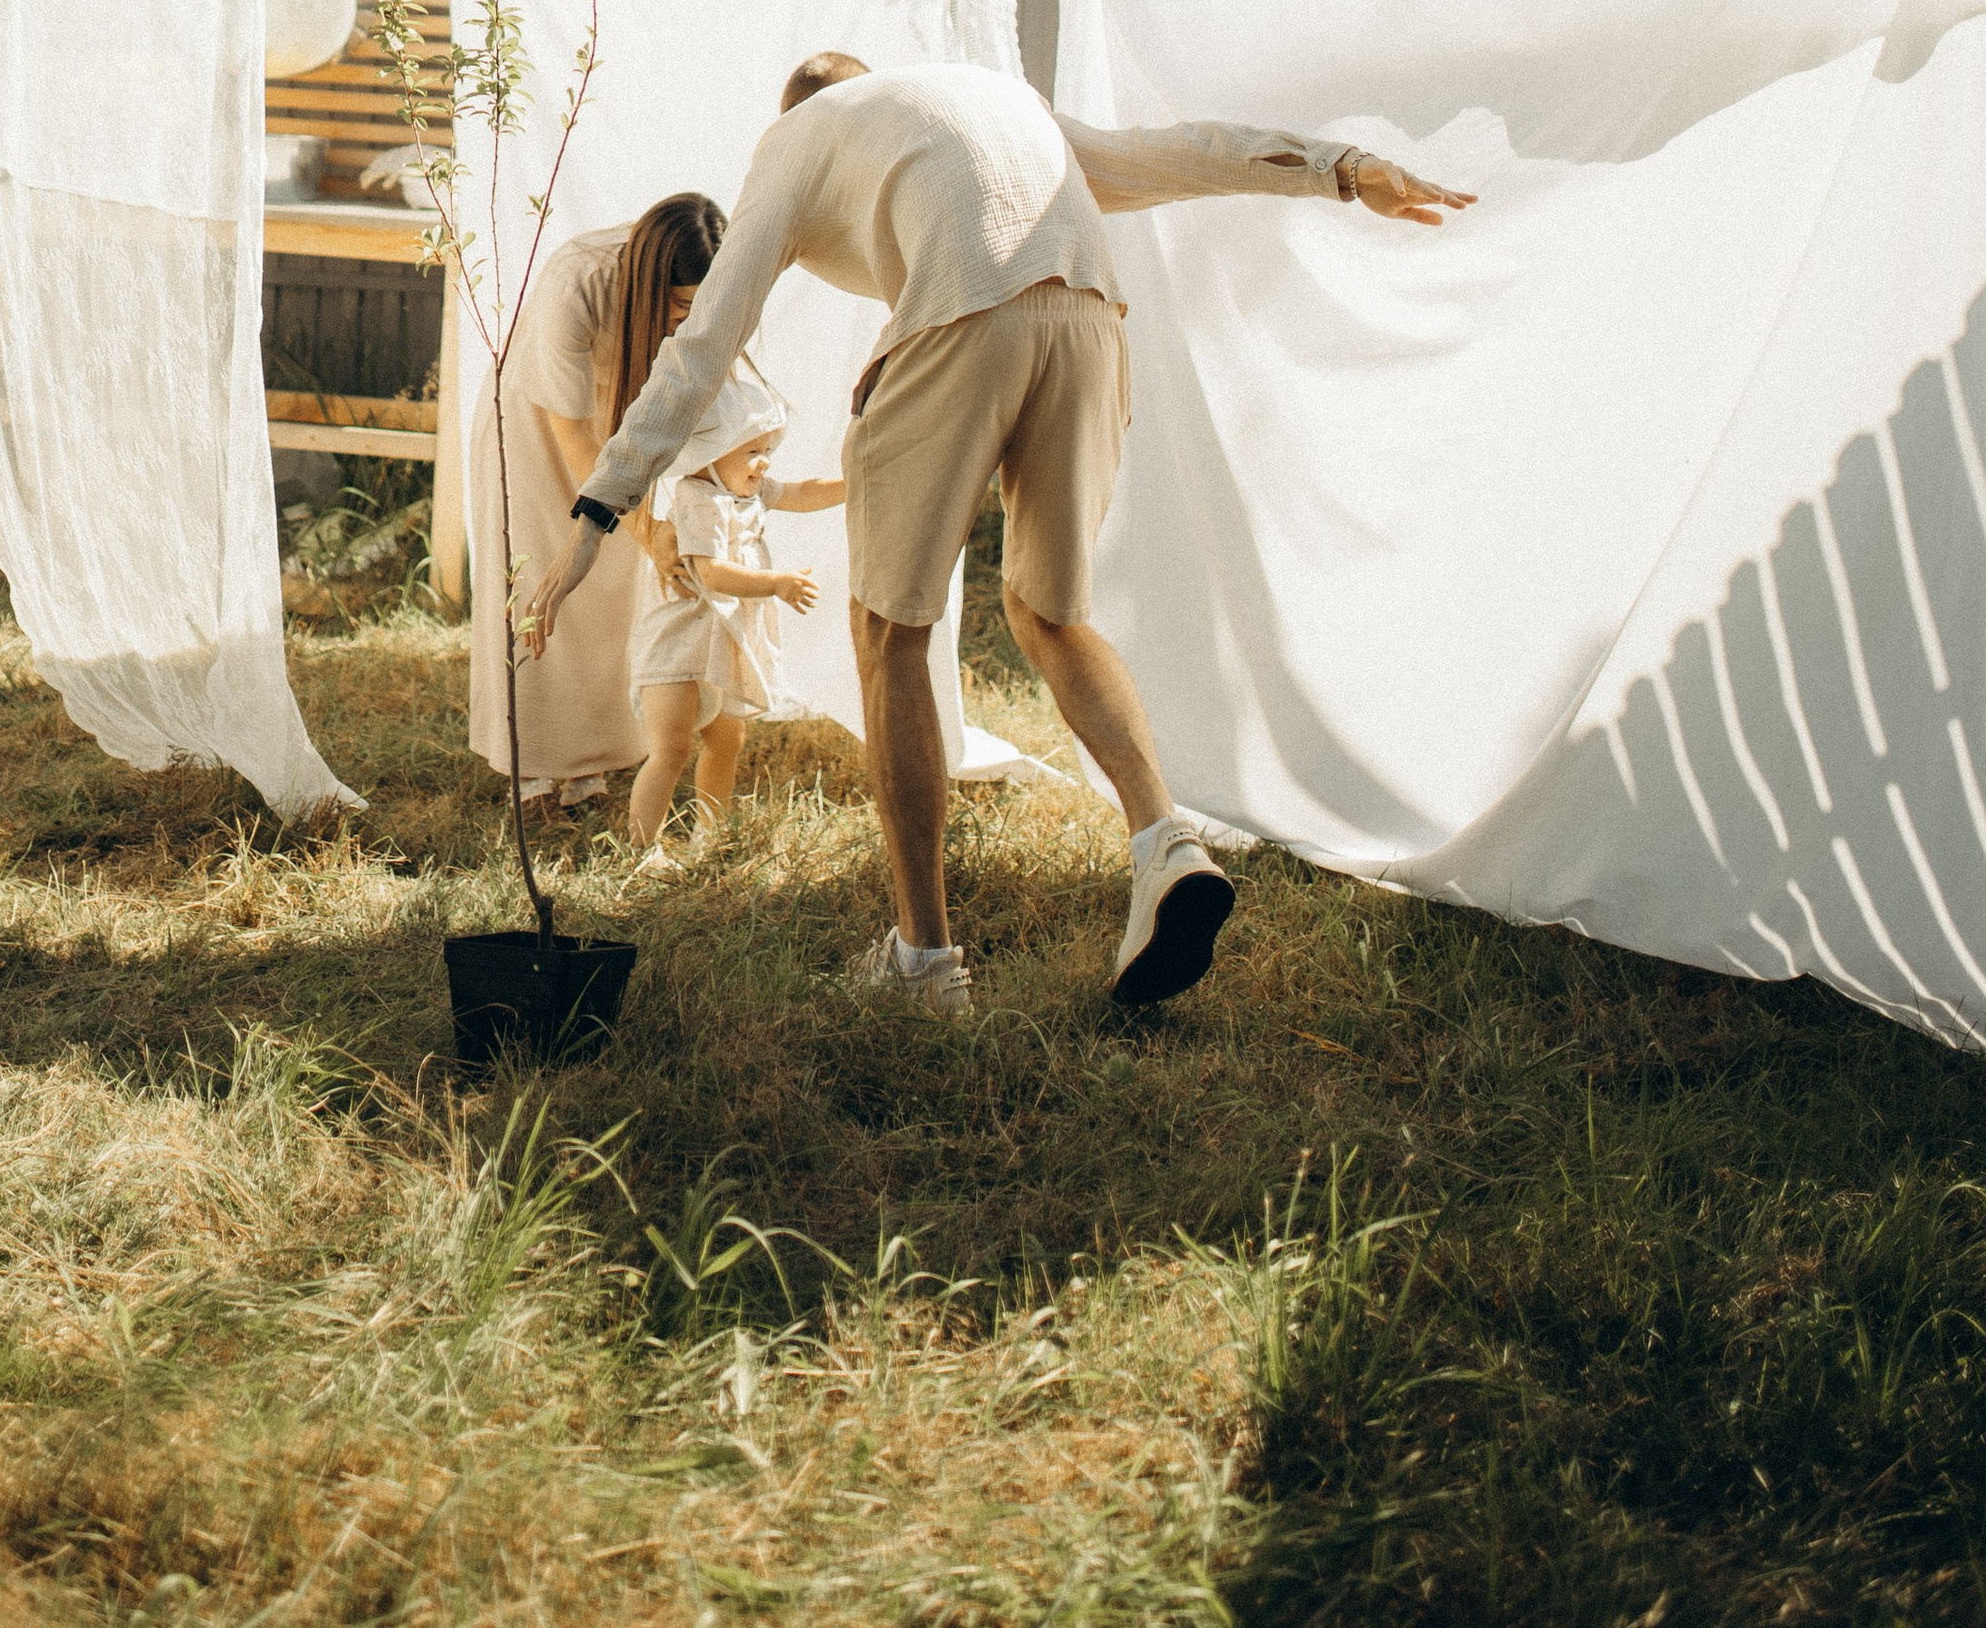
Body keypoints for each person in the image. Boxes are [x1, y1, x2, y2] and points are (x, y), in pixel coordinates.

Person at [525, 57, 1470, 1012]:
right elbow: (1179, 155)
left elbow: (702, 347)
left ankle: (924, 964)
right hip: (1091, 320)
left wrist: (598, 515)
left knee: (891, 634)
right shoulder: (990, 108)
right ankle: (1164, 841)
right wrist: (1339, 168)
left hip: (963, 328)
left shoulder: (795, 142)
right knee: (1051, 612)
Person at [467, 189, 724, 810]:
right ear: (647, 280)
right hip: (534, 426)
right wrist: (642, 527)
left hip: (622, 424)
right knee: (533, 580)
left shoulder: (713, 285)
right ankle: (530, 770)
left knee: (612, 591)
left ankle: (591, 764)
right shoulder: (577, 282)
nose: (687, 319)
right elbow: (574, 433)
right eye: (679, 304)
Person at [626, 364, 845, 852]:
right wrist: (776, 583)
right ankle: (641, 850)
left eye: (767, 452)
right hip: (679, 646)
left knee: (726, 742)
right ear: (708, 453)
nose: (763, 463)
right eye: (752, 451)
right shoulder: (698, 498)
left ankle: (710, 834)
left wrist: (854, 485)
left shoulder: (747, 492)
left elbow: (802, 491)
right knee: (670, 748)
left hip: (723, 644)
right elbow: (712, 573)